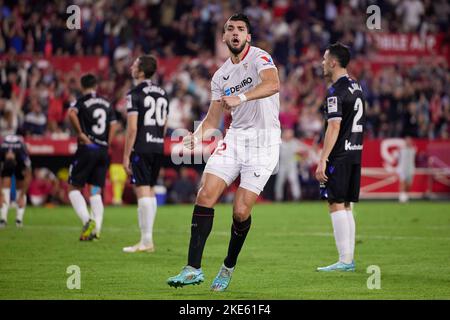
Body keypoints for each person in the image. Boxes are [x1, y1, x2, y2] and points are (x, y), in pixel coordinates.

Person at [167, 13, 281, 291]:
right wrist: (196, 135)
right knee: (205, 194)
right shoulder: (220, 76)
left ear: (248, 37)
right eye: (230, 29)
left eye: (241, 29)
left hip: (264, 142)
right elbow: (212, 120)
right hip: (236, 138)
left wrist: (240, 97)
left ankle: (228, 265)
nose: (235, 33)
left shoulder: (260, 58)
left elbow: (273, 84)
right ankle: (193, 268)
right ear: (223, 37)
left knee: (240, 212)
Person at [315, 43, 365, 272]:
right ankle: (348, 259)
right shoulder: (356, 86)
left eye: (325, 59)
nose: (322, 63)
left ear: (333, 62)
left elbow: (334, 126)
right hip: (355, 152)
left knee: (335, 203)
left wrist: (323, 158)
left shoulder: (335, 91)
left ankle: (345, 261)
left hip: (340, 154)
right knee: (345, 204)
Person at [122, 55, 169, 253]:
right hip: (158, 145)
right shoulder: (163, 93)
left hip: (141, 146)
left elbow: (132, 128)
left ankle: (146, 241)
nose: (132, 66)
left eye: (135, 64)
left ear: (141, 71)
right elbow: (165, 125)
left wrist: (125, 155)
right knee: (149, 189)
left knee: (142, 190)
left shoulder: (134, 94)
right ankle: (147, 240)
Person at [67, 74, 117, 241]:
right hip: (102, 150)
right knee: (95, 191)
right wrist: (107, 143)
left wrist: (81, 134)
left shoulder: (81, 101)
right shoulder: (107, 103)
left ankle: (87, 221)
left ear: (82, 86)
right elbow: (114, 124)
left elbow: (71, 114)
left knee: (73, 188)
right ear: (96, 85)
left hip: (87, 148)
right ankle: (96, 231)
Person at [0, 134, 32, 228]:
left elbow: (29, 175)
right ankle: (3, 219)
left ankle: (19, 219)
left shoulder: (22, 154)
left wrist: (22, 196)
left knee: (20, 186)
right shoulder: (1, 152)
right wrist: (1, 195)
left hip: (19, 164)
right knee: (5, 184)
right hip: (8, 162)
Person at [275, 128, 302, 201]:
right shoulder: (279, 142)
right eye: (287, 133)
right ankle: (278, 198)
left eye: (290, 133)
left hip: (292, 165)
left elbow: (301, 150)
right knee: (280, 182)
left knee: (294, 181)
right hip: (282, 165)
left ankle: (297, 197)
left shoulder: (295, 142)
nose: (289, 135)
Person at [397, 136, 416, 203]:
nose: (408, 142)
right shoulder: (401, 150)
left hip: (410, 169)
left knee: (408, 184)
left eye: (409, 141)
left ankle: (406, 196)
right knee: (403, 182)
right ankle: (402, 197)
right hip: (402, 169)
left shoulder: (413, 149)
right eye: (407, 141)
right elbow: (398, 159)